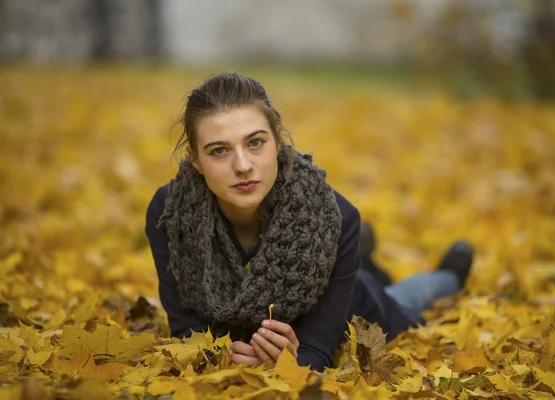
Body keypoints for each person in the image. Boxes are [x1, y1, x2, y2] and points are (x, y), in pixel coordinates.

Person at [144, 72, 474, 372]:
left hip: (358, 305)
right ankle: (362, 254)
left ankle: (448, 274)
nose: (242, 165)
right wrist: (225, 356)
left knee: (403, 299)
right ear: (196, 160)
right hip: (334, 264)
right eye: (219, 150)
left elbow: (316, 352)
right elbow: (187, 332)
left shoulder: (336, 217)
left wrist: (295, 359)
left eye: (255, 142)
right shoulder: (170, 215)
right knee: (360, 264)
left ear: (277, 142)